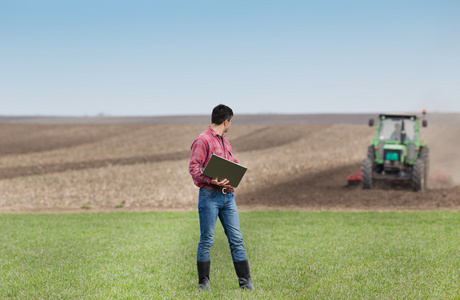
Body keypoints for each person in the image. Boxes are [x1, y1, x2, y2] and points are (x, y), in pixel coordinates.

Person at [189, 104, 254, 291]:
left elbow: (232, 162)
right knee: (207, 239)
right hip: (209, 196)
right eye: (230, 122)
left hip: (228, 198)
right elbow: (194, 168)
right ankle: (204, 284)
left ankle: (246, 283)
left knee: (237, 239)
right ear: (226, 121)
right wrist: (212, 179)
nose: (230, 125)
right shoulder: (202, 140)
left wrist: (235, 170)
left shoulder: (225, 141)